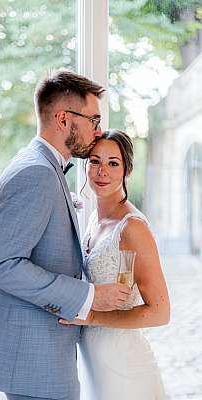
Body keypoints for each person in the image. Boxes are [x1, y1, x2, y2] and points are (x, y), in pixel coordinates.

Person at [0, 72, 133, 400]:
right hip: (36, 362)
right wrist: (87, 295)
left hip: (40, 358)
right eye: (93, 119)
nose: (98, 130)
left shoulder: (40, 165)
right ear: (63, 119)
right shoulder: (37, 173)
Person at [60, 129, 170, 400]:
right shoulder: (94, 220)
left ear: (126, 170)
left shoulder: (132, 227)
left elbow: (160, 312)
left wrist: (93, 316)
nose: (102, 172)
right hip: (94, 362)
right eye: (95, 161)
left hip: (124, 367)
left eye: (113, 163)